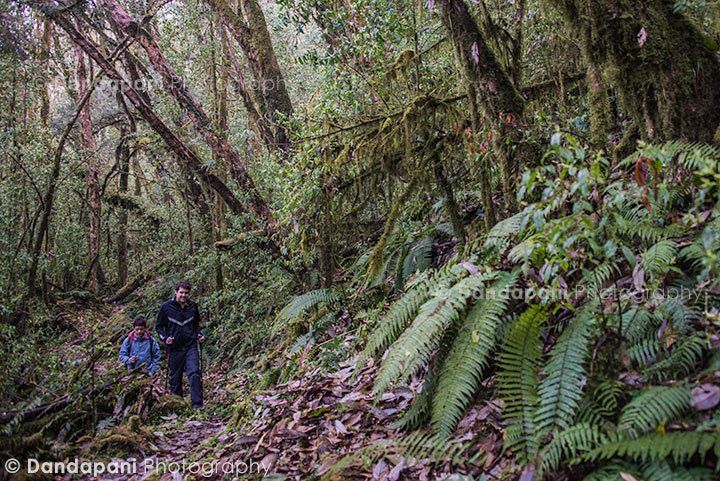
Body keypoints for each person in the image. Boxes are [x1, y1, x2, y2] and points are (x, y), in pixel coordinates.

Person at [155, 280, 206, 409]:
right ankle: (179, 406)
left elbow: (196, 325)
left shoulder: (193, 306)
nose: (183, 295)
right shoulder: (166, 307)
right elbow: (159, 327)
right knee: (175, 380)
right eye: (181, 293)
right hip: (174, 349)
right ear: (176, 292)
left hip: (190, 346)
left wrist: (199, 335)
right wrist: (165, 338)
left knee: (194, 373)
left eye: (186, 293)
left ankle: (197, 405)